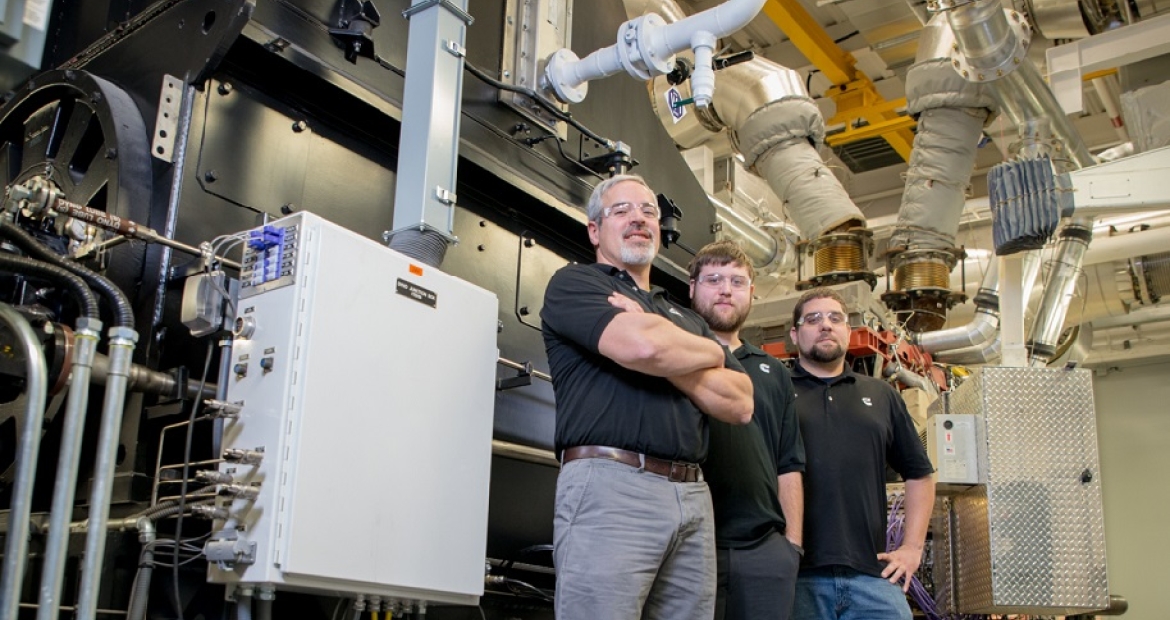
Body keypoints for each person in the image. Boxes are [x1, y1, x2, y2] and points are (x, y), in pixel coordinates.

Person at [540, 174, 754, 620]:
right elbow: (643, 348)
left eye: (648, 211)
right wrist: (708, 354)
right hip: (611, 484)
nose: (638, 218)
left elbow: (740, 401)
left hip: (692, 495)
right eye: (622, 211)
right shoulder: (577, 284)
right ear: (595, 231)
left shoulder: (677, 313)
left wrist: (674, 348)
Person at [787, 288, 935, 620]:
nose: (825, 325)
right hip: (797, 577)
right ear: (795, 334)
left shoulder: (881, 395)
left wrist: (912, 548)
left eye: (835, 318)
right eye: (813, 319)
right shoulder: (778, 391)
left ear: (848, 331)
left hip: (873, 576)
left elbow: (919, 474)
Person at [687, 240, 806, 620]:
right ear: (692, 288)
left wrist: (792, 547)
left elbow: (789, 463)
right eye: (714, 279)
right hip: (689, 545)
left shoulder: (774, 374)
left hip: (763, 551)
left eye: (737, 282)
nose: (725, 289)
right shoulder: (675, 355)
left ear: (751, 294)